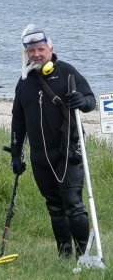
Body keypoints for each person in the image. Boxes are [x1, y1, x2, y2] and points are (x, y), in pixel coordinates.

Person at [10, 24, 96, 259]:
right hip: (40, 156)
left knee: (73, 204)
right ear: (26, 54)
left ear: (50, 47)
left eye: (40, 49)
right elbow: (18, 121)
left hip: (69, 151)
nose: (36, 54)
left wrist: (82, 101)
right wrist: (15, 154)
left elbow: (91, 101)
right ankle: (64, 255)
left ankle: (83, 255)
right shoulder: (24, 82)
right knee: (55, 207)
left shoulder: (68, 72)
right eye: (31, 51)